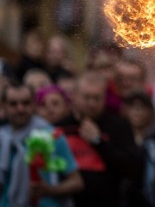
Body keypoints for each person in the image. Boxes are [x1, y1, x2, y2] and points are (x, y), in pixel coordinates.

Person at [0, 82, 83, 207]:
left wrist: (50, 190)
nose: (20, 109)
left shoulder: (52, 137)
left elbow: (77, 182)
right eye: (13, 104)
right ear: (3, 106)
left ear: (34, 105)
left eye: (25, 103)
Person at [56, 71, 141, 207]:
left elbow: (132, 168)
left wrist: (98, 141)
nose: (92, 103)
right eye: (86, 97)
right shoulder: (61, 127)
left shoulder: (119, 126)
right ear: (75, 96)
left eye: (97, 98)